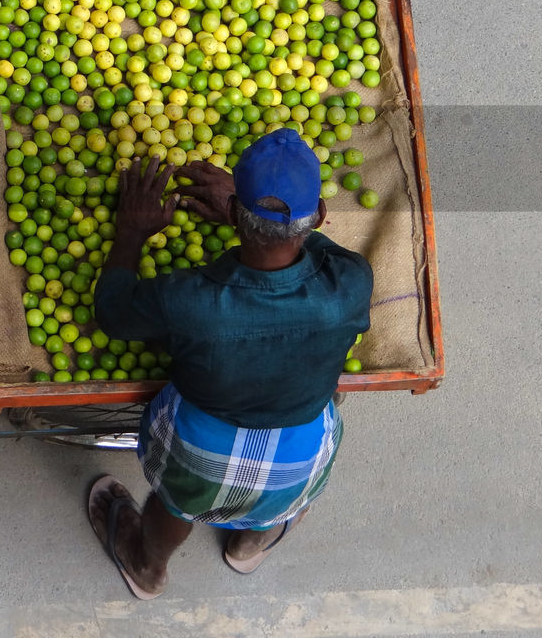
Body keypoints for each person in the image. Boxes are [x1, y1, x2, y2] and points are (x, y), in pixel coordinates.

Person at [86, 128, 372, 598]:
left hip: (205, 454)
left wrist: (133, 231)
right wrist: (256, 222)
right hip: (300, 456)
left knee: (174, 506)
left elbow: (113, 314)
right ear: (319, 215)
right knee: (285, 499)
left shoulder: (189, 299)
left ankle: (147, 566)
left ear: (235, 212)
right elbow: (316, 253)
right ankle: (250, 544)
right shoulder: (351, 283)